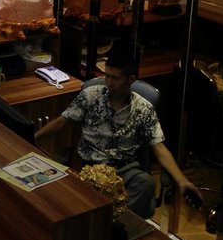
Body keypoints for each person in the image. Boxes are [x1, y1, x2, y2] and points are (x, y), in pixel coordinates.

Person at [35, 46, 202, 219]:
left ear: (131, 79)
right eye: (106, 76)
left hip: (122, 170)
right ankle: (103, 219)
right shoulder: (91, 95)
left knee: (145, 183)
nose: (108, 82)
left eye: (115, 78)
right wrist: (33, 136)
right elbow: (62, 121)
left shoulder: (143, 109)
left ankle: (115, 223)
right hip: (87, 166)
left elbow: (159, 148)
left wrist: (182, 181)